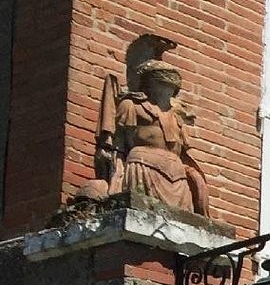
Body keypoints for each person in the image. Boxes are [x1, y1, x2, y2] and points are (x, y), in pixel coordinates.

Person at [79, 56, 210, 216]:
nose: (166, 91)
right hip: (143, 166)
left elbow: (181, 153)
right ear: (149, 84)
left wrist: (196, 179)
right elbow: (119, 146)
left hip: (177, 175)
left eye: (170, 88)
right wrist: (116, 175)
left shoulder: (177, 117)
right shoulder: (131, 106)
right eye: (162, 84)